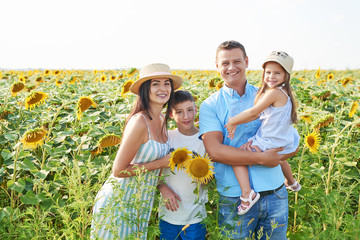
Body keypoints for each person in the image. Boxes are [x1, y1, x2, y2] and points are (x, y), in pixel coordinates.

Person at [199, 40, 299, 239]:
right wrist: (263, 159)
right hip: (235, 196)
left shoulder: (266, 94)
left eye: (237, 61)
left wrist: (283, 154)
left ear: (246, 61)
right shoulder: (210, 105)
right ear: (217, 66)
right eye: (225, 63)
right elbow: (215, 152)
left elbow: (290, 137)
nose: (231, 67)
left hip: (275, 191)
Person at [90, 63, 183, 239]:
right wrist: (161, 163)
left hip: (139, 201)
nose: (163, 88)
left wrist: (161, 186)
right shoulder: (139, 122)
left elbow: (147, 162)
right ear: (145, 89)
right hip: (118, 201)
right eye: (155, 83)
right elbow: (118, 170)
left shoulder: (162, 118)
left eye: (166, 83)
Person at [224, 50, 301, 216]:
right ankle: (292, 182)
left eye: (277, 73)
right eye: (268, 72)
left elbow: (253, 113)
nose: (271, 76)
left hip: (269, 140)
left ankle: (247, 194)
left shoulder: (273, 93)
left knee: (236, 157)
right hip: (279, 138)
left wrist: (232, 121)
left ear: (286, 76)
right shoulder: (284, 93)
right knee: (279, 158)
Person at [157, 90, 207, 240]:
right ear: (171, 114)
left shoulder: (205, 140)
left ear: (196, 109)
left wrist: (204, 177)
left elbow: (210, 176)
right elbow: (154, 171)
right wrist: (163, 187)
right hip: (168, 215)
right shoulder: (166, 137)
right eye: (179, 112)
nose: (186, 116)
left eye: (190, 110)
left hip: (195, 217)